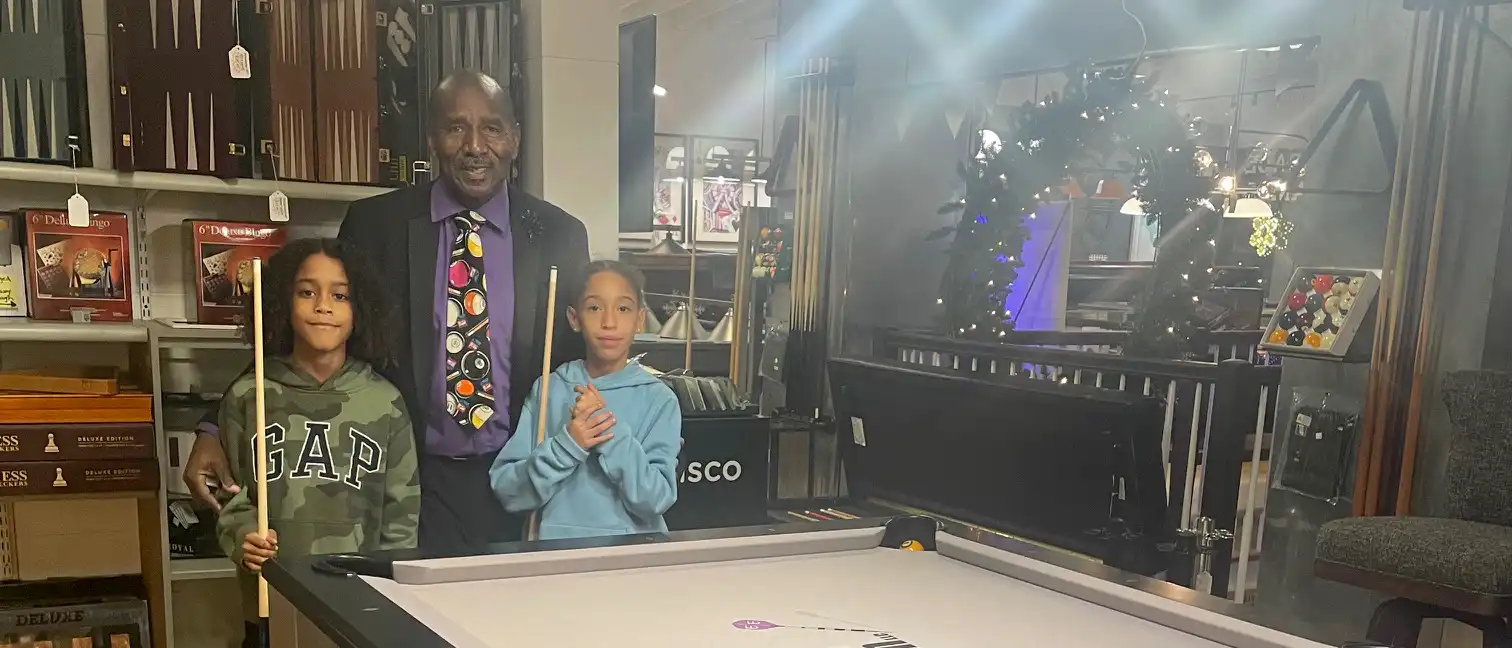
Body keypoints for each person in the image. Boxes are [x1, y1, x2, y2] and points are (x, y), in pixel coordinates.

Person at [185, 69, 589, 552]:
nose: (475, 146)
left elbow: (579, 357)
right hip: (410, 479)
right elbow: (308, 330)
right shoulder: (377, 224)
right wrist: (213, 426)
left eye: (493, 128)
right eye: (456, 127)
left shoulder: (559, 235)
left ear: (515, 140)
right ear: (432, 138)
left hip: (525, 477)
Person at [213, 238, 418, 648]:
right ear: (281, 304)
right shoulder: (249, 396)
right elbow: (231, 496)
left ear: (361, 310)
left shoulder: (385, 402)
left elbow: (402, 515)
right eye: (307, 292)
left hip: (359, 605)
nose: (323, 306)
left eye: (339, 296)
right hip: (273, 602)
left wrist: (395, 589)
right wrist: (243, 537)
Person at [489, 261, 680, 540]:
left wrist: (606, 430)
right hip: (555, 558)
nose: (609, 322)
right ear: (574, 318)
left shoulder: (660, 399)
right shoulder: (549, 388)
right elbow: (509, 492)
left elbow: (656, 500)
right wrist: (568, 445)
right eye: (594, 307)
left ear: (640, 319)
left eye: (623, 308)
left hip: (632, 561)